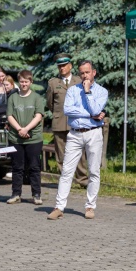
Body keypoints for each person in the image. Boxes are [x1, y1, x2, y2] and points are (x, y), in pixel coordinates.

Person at [47, 60, 108, 220]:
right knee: (67, 171)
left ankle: (90, 206)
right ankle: (59, 207)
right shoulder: (73, 90)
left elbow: (97, 109)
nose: (84, 75)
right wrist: (89, 114)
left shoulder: (102, 91)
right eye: (82, 73)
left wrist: (88, 93)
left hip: (93, 132)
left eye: (87, 72)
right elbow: (67, 109)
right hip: (74, 133)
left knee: (94, 171)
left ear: (93, 72)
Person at [46, 53, 88, 187]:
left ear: (70, 66)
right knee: (61, 154)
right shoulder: (53, 83)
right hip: (59, 123)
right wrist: (58, 114)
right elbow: (50, 103)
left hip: (76, 122)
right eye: (59, 66)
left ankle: (83, 180)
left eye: (64, 65)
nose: (61, 68)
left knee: (79, 153)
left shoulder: (78, 81)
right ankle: (65, 181)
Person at [6, 70, 45, 205]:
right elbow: (10, 116)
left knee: (34, 167)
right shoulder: (12, 98)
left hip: (33, 138)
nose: (24, 84)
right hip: (16, 138)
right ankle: (16, 194)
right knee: (17, 167)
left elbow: (38, 116)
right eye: (21, 81)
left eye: (26, 82)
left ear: (31, 82)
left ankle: (36, 194)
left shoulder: (37, 98)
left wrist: (27, 129)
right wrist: (19, 129)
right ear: (18, 82)